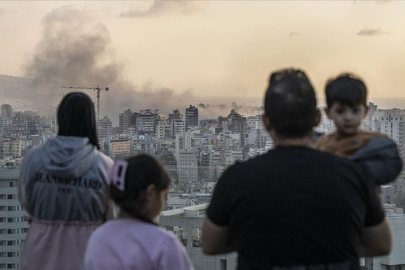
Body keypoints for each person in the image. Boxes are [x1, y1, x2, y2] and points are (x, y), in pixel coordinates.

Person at [202, 68, 392, 270]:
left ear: (266, 122)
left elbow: (211, 244)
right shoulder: (354, 175)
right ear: (318, 118)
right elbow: (380, 244)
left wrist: (253, 242)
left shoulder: (237, 179)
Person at [18, 92, 113, 270]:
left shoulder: (33, 159)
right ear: (92, 121)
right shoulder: (105, 166)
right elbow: (111, 218)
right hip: (86, 256)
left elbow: (26, 202)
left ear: (60, 117)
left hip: (38, 255)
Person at [84, 154, 194, 270]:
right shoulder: (163, 243)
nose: (164, 203)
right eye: (163, 195)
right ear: (150, 193)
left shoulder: (98, 237)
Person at [316, 73, 402, 185]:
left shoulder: (375, 144)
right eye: (340, 111)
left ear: (365, 112)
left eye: (355, 111)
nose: (348, 117)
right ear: (328, 113)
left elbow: (390, 168)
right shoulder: (322, 144)